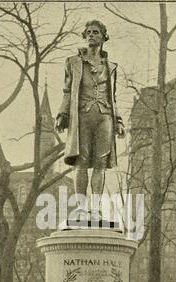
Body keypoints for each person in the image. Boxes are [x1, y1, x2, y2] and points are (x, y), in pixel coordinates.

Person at [55, 19, 125, 220]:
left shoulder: (111, 67)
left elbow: (113, 96)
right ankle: (80, 207)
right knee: (81, 162)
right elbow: (67, 91)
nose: (92, 35)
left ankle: (95, 208)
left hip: (104, 118)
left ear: (103, 37)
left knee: (100, 163)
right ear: (84, 37)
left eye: (96, 32)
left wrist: (118, 120)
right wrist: (63, 114)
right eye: (88, 32)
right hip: (82, 117)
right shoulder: (73, 63)